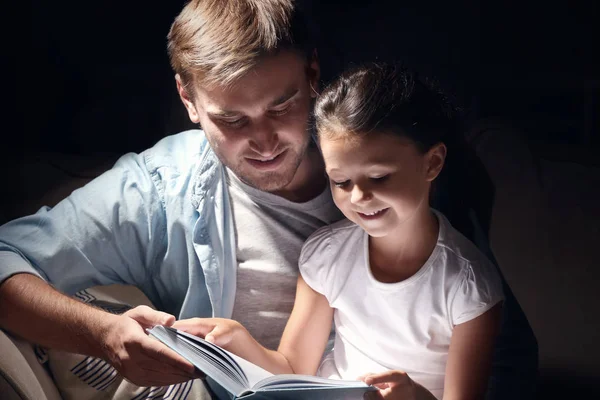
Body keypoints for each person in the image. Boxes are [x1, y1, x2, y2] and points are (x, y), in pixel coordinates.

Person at [0, 0, 536, 398]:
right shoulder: (160, 186)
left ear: (312, 74)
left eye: (282, 106)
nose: (264, 141)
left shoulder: (400, 162)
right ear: (188, 98)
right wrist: (104, 334)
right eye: (232, 119)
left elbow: (505, 356)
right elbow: (7, 258)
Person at [173, 62, 505, 400]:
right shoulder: (327, 255)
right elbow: (292, 369)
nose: (359, 197)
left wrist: (417, 396)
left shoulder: (467, 285)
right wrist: (237, 339)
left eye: (379, 177)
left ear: (431, 163)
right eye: (341, 182)